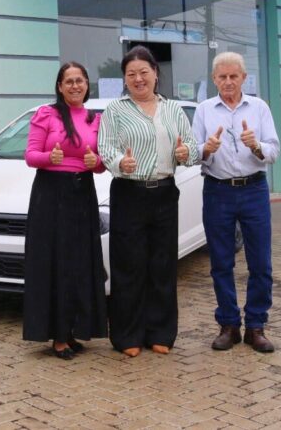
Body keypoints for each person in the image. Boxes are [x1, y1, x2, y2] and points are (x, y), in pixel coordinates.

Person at [98, 45, 199, 357]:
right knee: (129, 266)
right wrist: (120, 163)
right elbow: (106, 147)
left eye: (144, 72)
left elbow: (192, 146)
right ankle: (127, 335)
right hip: (129, 192)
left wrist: (185, 154)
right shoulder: (115, 110)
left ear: (156, 73)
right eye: (131, 74)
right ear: (125, 80)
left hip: (165, 192)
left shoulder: (173, 110)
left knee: (163, 264)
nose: (138, 79)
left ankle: (160, 332)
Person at [192, 51, 281, 353]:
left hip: (253, 190)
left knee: (260, 262)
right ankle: (229, 325)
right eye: (222, 77)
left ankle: (256, 325)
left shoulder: (259, 107)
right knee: (221, 262)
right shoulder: (204, 110)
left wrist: (256, 146)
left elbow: (273, 150)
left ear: (244, 78)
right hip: (217, 191)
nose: (228, 82)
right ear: (214, 79)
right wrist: (206, 148)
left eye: (234, 76)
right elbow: (193, 154)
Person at [23, 62, 108, 360]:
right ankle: (58, 336)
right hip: (51, 194)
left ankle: (74, 331)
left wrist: (94, 164)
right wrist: (50, 156)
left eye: (80, 80)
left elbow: (100, 163)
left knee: (80, 265)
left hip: (82, 192)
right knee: (55, 264)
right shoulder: (46, 114)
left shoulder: (94, 119)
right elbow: (31, 156)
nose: (74, 86)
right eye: (68, 81)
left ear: (87, 85)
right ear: (60, 86)